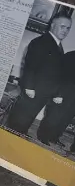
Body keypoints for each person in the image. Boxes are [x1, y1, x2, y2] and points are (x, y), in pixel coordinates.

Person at [7, 15, 72, 143]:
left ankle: (21, 133)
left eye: (68, 28)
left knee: (29, 116)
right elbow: (31, 66)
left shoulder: (57, 45)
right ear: (52, 25)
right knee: (22, 116)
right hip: (33, 90)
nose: (65, 30)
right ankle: (12, 138)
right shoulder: (41, 42)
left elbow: (56, 73)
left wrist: (56, 93)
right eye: (62, 26)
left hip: (43, 92)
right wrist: (29, 87)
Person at [37, 50, 75, 150]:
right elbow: (59, 75)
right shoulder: (70, 56)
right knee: (53, 116)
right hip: (63, 92)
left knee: (65, 119)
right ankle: (43, 136)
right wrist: (58, 94)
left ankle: (54, 137)